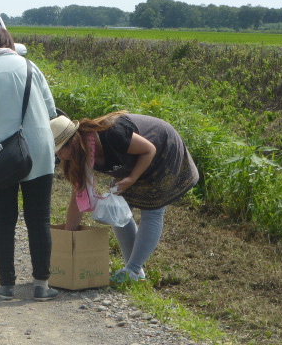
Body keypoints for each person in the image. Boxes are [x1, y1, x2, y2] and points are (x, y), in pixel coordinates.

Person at [0, 27, 59, 302]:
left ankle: (7, 285)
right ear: (10, 44)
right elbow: (51, 110)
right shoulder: (30, 67)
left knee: (4, 218)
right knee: (39, 218)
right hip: (40, 149)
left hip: (3, 152)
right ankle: (42, 285)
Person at [50, 111, 199, 284]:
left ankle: (133, 270)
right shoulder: (81, 154)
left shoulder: (113, 134)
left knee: (153, 211)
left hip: (162, 150)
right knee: (117, 210)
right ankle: (135, 272)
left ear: (73, 142)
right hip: (133, 161)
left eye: (60, 151)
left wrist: (132, 178)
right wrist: (69, 240)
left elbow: (149, 149)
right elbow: (78, 195)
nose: (60, 157)